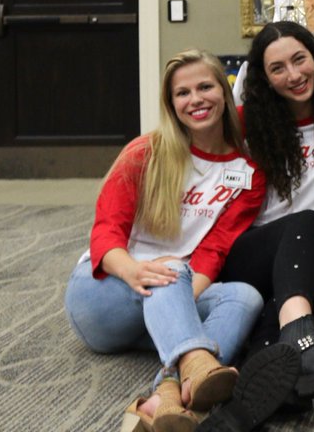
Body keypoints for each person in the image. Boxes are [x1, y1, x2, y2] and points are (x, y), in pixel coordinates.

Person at [65, 50, 270, 430]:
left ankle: (167, 397)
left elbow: (215, 249)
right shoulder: (146, 152)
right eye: (182, 93)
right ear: (171, 104)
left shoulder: (248, 172)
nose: (196, 100)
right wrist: (138, 272)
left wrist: (174, 299)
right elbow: (106, 231)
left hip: (168, 297)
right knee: (171, 269)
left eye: (206, 87)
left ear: (225, 93)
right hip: (103, 292)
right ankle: (195, 363)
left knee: (245, 296)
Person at [221, 22, 314, 409]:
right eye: (277, 69)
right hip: (257, 253)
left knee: (285, 311)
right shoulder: (244, 123)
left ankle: (275, 384)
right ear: (264, 79)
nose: (293, 75)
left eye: (299, 60)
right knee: (306, 220)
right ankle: (306, 344)